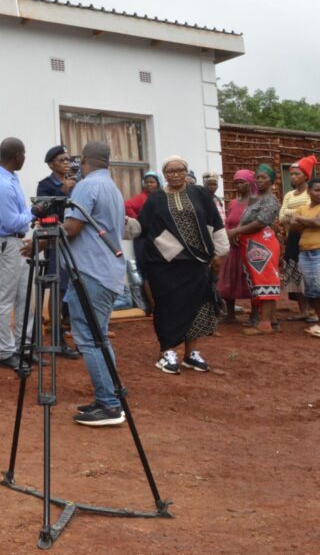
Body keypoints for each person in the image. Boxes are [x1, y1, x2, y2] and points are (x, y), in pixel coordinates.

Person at [138, 156, 228, 374]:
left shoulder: (200, 193)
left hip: (196, 263)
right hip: (165, 265)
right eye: (170, 171)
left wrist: (220, 251)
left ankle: (191, 353)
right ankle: (167, 352)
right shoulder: (155, 199)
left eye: (180, 170)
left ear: (187, 172)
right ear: (164, 175)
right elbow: (142, 227)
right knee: (168, 307)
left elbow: (215, 221)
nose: (176, 174)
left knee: (197, 305)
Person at [61, 142, 128, 426]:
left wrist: (41, 238)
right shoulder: (112, 188)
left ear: (84, 159)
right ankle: (109, 397)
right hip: (107, 271)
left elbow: (72, 229)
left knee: (88, 338)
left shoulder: (87, 186)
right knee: (98, 336)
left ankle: (110, 405)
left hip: (91, 272)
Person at [0, 137, 34, 370]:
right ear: (17, 155)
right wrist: (34, 213)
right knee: (5, 299)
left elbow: (19, 216)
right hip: (4, 243)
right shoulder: (0, 184)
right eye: (24, 154)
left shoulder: (11, 178)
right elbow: (13, 220)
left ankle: (25, 347)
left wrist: (28, 215)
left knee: (25, 297)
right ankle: (5, 352)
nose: (25, 158)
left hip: (16, 243)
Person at [35, 144, 81, 360]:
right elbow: (42, 213)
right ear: (51, 164)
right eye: (61, 160)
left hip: (78, 242)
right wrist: (60, 192)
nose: (66, 163)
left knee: (77, 288)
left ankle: (80, 336)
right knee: (58, 289)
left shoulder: (79, 183)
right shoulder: (45, 186)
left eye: (67, 159)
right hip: (55, 242)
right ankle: (57, 340)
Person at [227, 164, 282, 336]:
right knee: (260, 281)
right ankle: (271, 321)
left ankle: (265, 324)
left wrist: (236, 230)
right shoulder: (256, 198)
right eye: (257, 177)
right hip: (252, 243)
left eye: (263, 177)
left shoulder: (270, 200)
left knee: (265, 281)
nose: (259, 180)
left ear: (271, 181)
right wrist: (240, 231)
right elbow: (246, 219)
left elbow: (260, 222)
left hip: (262, 243)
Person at [279, 157, 317, 323]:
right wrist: (298, 216)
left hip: (308, 238)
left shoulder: (313, 192)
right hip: (292, 237)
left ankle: (312, 310)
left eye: (296, 174)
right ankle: (303, 310)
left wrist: (296, 217)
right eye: (291, 174)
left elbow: (310, 216)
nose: (292, 177)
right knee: (295, 273)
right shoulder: (288, 194)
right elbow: (282, 217)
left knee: (310, 276)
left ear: (306, 176)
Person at [216, 170, 255, 323]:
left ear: (250, 183)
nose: (239, 186)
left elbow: (257, 224)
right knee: (228, 280)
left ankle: (255, 314)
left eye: (242, 182)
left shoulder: (255, 202)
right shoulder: (233, 203)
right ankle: (230, 314)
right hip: (232, 247)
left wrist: (240, 235)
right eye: (236, 183)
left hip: (249, 246)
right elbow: (227, 222)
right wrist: (229, 235)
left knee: (251, 280)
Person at [289, 179, 320, 338]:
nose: (319, 193)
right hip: (304, 252)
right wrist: (309, 222)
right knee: (311, 290)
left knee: (318, 287)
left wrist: (303, 220)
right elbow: (292, 224)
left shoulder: (302, 211)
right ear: (309, 192)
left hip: (318, 252)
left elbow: (317, 222)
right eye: (316, 190)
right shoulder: (302, 208)